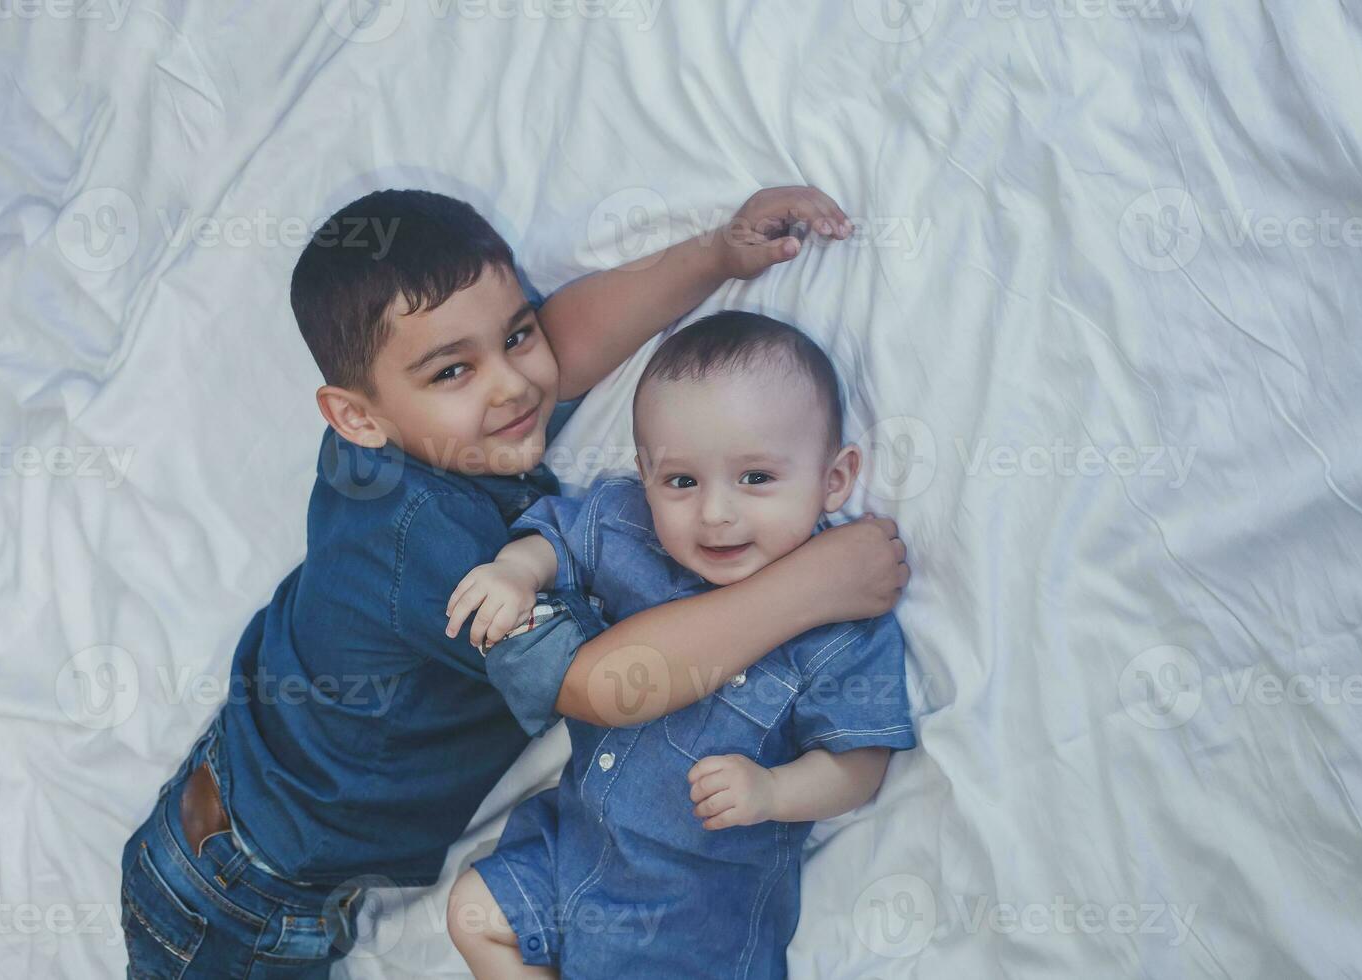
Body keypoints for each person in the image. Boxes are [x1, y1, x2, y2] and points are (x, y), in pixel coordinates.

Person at [118, 187, 909, 977]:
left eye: (516, 335)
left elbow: (563, 340)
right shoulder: (422, 545)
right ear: (356, 417)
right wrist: (812, 586)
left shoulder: (430, 425)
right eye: (454, 369)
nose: (513, 386)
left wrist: (716, 255)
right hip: (239, 893)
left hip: (245, 807)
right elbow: (606, 686)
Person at [446, 312, 915, 979]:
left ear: (833, 480)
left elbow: (861, 764)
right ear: (645, 476)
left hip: (691, 911)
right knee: (473, 908)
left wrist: (774, 792)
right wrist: (515, 572)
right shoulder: (626, 525)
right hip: (572, 843)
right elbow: (558, 538)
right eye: (682, 482)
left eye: (756, 478)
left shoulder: (841, 629)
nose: (716, 513)